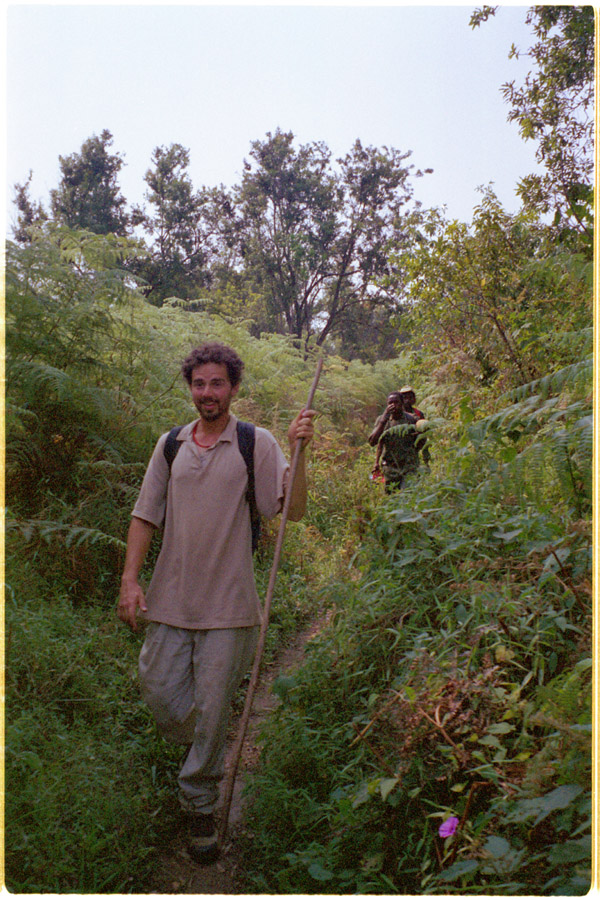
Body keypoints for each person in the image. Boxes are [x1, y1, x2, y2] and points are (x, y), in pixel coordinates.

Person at [117, 342, 315, 865]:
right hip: (169, 598)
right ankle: (201, 750)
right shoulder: (171, 445)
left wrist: (302, 453)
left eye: (217, 383)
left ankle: (199, 803)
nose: (208, 393)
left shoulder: (257, 443)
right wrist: (130, 580)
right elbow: (144, 516)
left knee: (210, 714)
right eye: (200, 383)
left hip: (230, 604)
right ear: (191, 387)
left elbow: (289, 512)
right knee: (160, 691)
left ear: (233, 387)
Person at [370, 392, 419, 492]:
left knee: (408, 496)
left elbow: (419, 443)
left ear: (402, 403)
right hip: (390, 468)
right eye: (390, 403)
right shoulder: (382, 420)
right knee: (392, 498)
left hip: (409, 467)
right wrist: (384, 419)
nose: (393, 405)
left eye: (396, 402)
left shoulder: (411, 420)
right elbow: (373, 442)